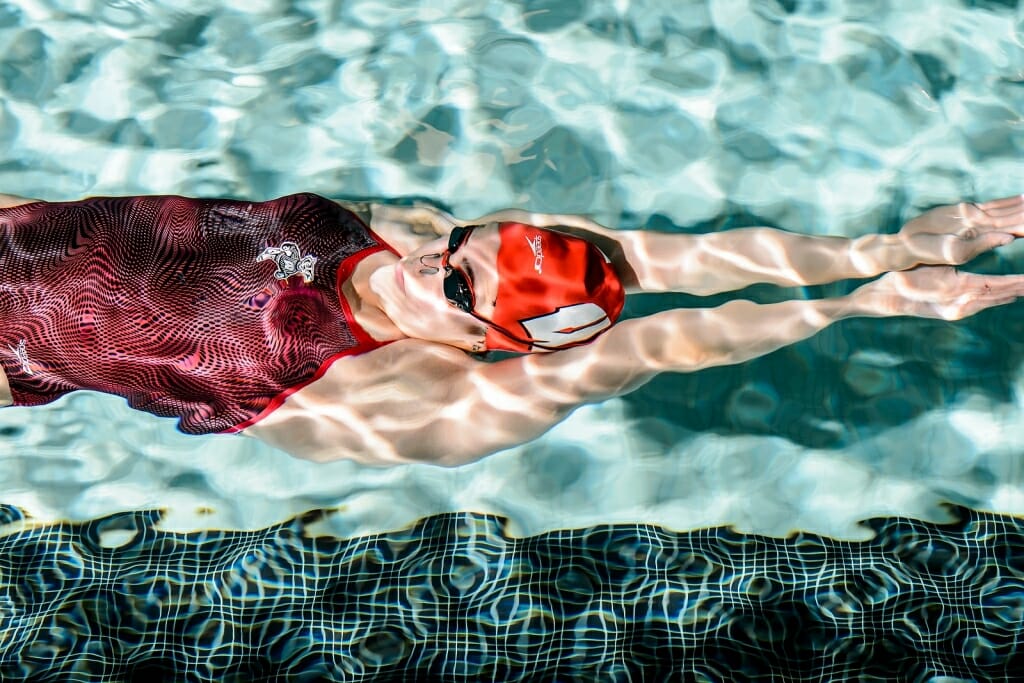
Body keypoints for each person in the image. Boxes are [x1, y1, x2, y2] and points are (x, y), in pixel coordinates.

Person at [0, 191, 1022, 466]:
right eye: (458, 240)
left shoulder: (378, 395)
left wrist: (868, 307)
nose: (419, 260)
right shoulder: (386, 243)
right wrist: (892, 246)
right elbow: (685, 262)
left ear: (490, 343)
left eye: (454, 284)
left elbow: (667, 338)